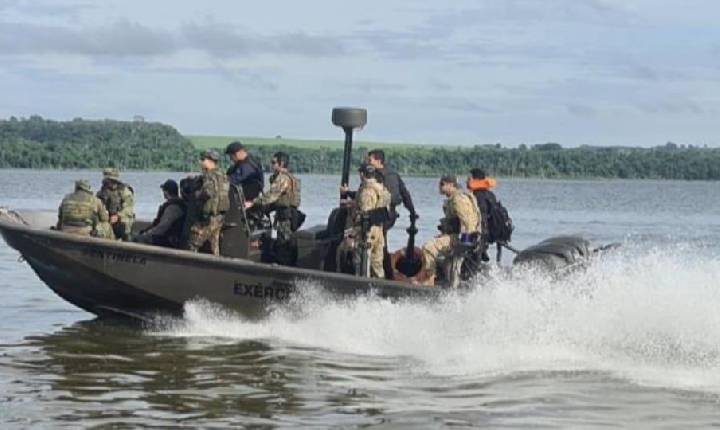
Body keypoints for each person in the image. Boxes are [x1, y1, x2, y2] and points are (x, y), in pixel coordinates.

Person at [420, 175, 481, 286]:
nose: (439, 187)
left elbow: (468, 224)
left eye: (442, 184)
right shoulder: (454, 199)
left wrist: (463, 243)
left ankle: (428, 283)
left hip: (462, 238)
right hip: (456, 236)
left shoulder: (459, 199)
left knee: (428, 248)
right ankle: (444, 283)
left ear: (451, 185)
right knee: (448, 266)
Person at [366, 149, 417, 279]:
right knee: (381, 243)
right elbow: (405, 193)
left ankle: (386, 275)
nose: (368, 162)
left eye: (370, 160)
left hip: (385, 216)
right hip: (385, 215)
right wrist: (411, 211)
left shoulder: (386, 176)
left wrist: (412, 211)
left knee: (379, 244)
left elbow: (396, 196)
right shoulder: (388, 173)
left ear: (378, 161)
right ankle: (384, 273)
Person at [246, 151, 303, 265]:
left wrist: (253, 203)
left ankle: (284, 269)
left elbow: (272, 195)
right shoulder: (290, 178)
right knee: (285, 243)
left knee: (284, 244)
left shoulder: (283, 178)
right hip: (289, 215)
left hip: (286, 217)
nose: (272, 165)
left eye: (274, 162)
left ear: (281, 164)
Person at [186, 150, 230, 255]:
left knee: (193, 242)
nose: (201, 162)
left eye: (203, 159)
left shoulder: (209, 175)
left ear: (210, 161)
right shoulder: (223, 175)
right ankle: (215, 266)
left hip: (208, 218)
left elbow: (208, 191)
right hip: (219, 216)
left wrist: (197, 194)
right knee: (214, 245)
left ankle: (188, 267)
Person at [352, 163, 392, 278]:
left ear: (362, 174)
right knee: (377, 264)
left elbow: (366, 214)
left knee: (362, 262)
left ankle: (362, 289)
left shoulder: (366, 191)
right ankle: (379, 289)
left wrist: (355, 229)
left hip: (367, 232)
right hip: (379, 230)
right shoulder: (382, 189)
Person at [134, 180, 187, 248]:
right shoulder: (173, 205)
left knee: (137, 238)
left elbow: (162, 227)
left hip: (170, 240)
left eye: (164, 191)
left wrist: (146, 235)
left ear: (166, 192)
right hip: (167, 237)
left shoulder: (173, 208)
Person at [466, 168, 497, 261]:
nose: (467, 180)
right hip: (489, 233)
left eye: (469, 178)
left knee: (471, 258)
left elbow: (473, 220)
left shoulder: (476, 196)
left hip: (479, 233)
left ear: (475, 180)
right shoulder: (490, 195)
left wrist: (465, 239)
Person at [97, 168, 135, 240]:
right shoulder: (102, 192)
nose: (107, 183)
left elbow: (129, 209)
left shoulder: (124, 192)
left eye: (109, 181)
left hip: (122, 219)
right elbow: (97, 204)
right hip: (106, 218)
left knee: (122, 225)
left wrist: (118, 216)